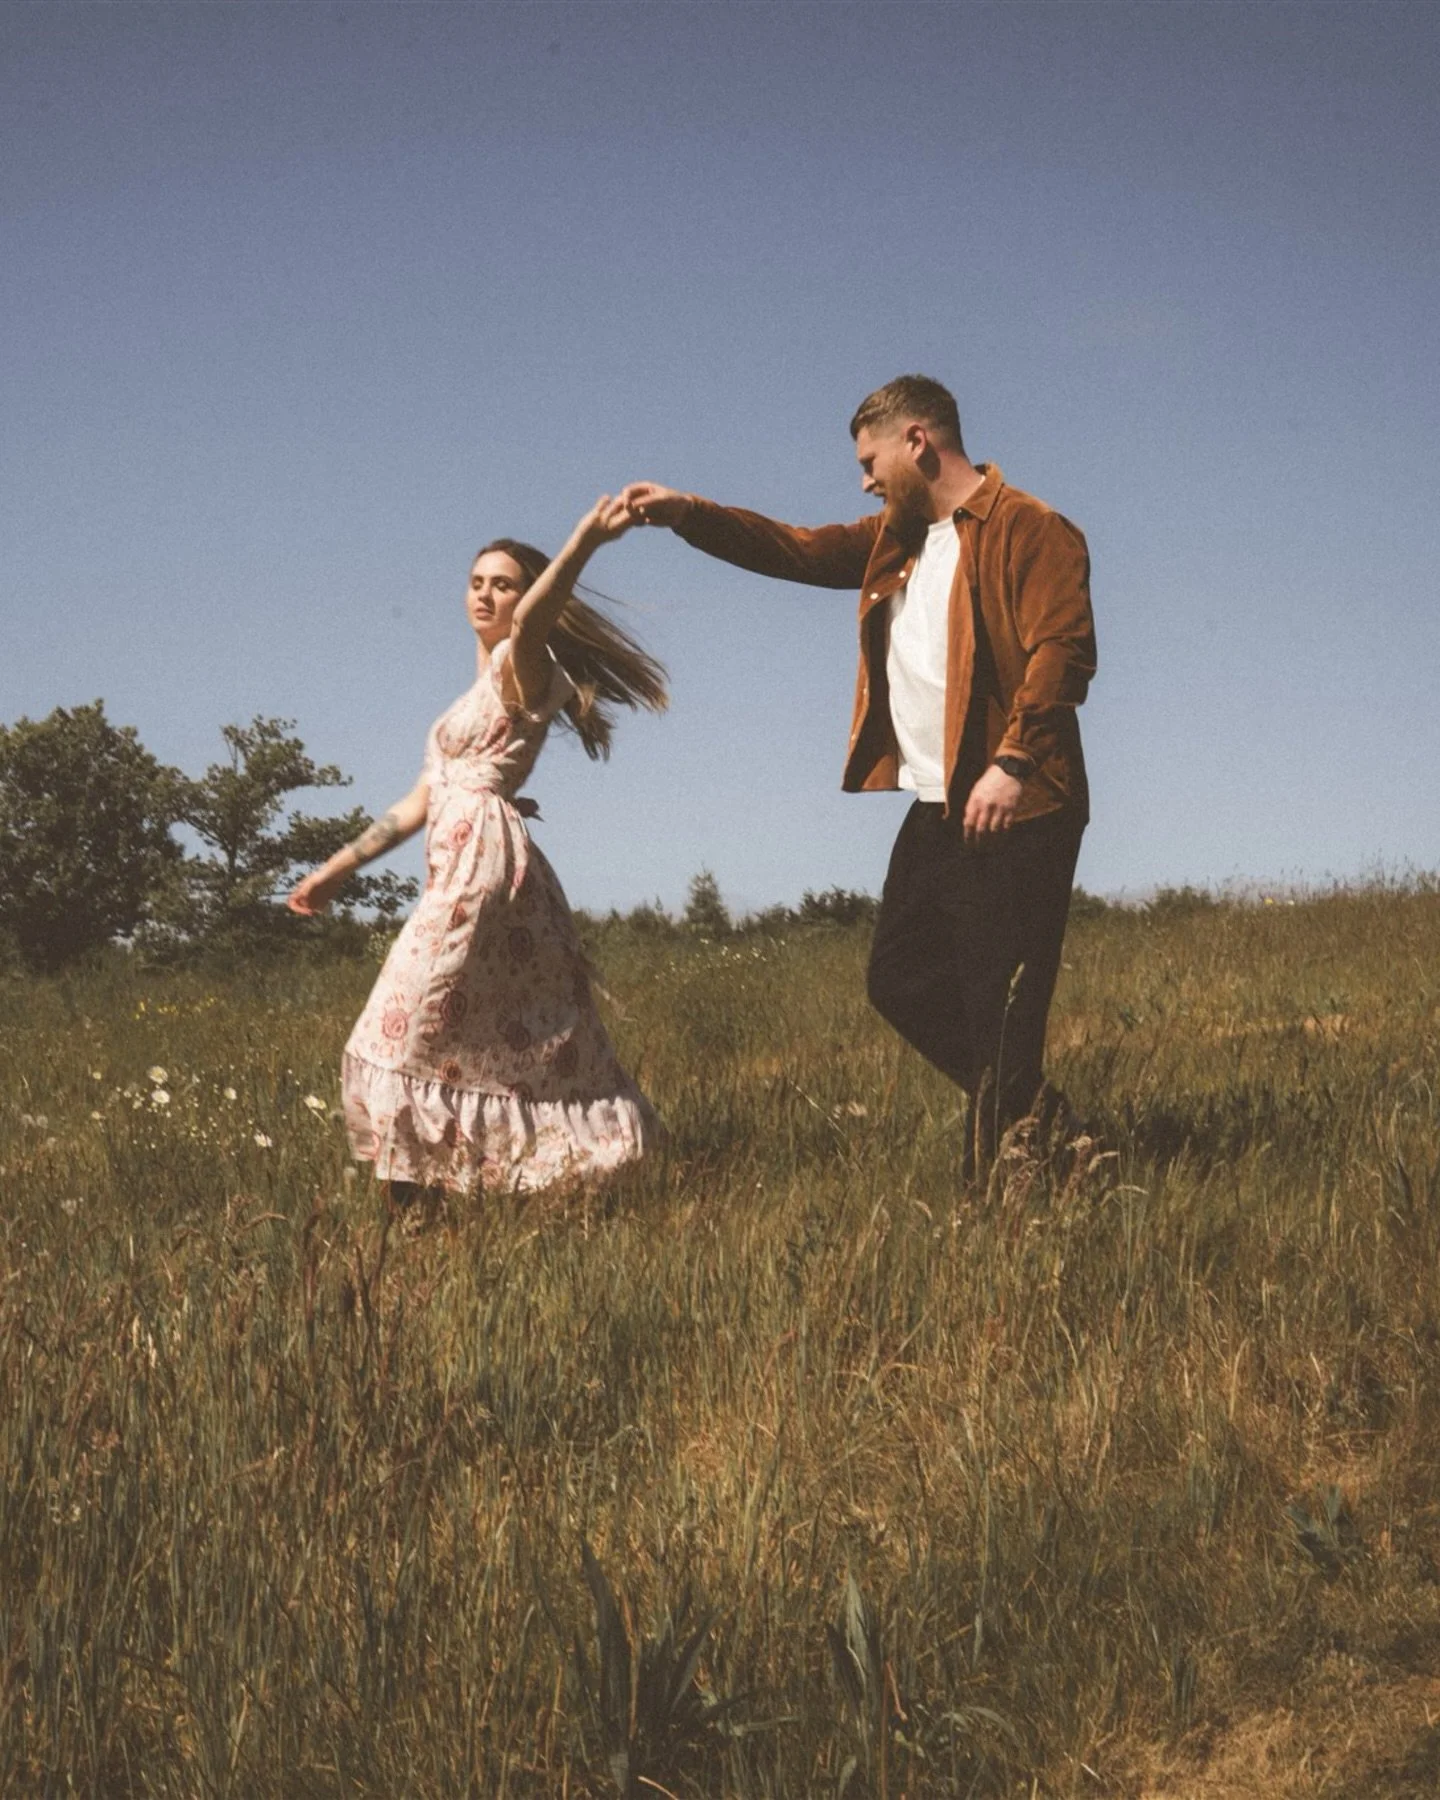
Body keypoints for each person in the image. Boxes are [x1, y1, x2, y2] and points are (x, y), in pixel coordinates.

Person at [620, 374, 1096, 1174]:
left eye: (871, 460)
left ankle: (1015, 1183)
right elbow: (796, 548)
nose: (867, 480)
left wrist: (1015, 760)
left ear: (918, 440)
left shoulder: (1030, 528)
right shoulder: (898, 539)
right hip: (941, 799)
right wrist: (688, 515)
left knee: (998, 1002)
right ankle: (1047, 1124)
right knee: (899, 977)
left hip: (1018, 800)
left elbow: (1063, 649)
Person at [287, 496, 667, 1208]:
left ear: (528, 597)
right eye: (477, 581)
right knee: (470, 1040)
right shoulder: (466, 700)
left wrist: (584, 539)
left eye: (505, 583)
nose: (487, 594)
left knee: (402, 1029)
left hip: (485, 871)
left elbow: (535, 620)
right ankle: (452, 1199)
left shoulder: (523, 667)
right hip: (457, 868)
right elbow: (415, 804)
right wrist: (334, 871)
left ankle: (419, 1208)